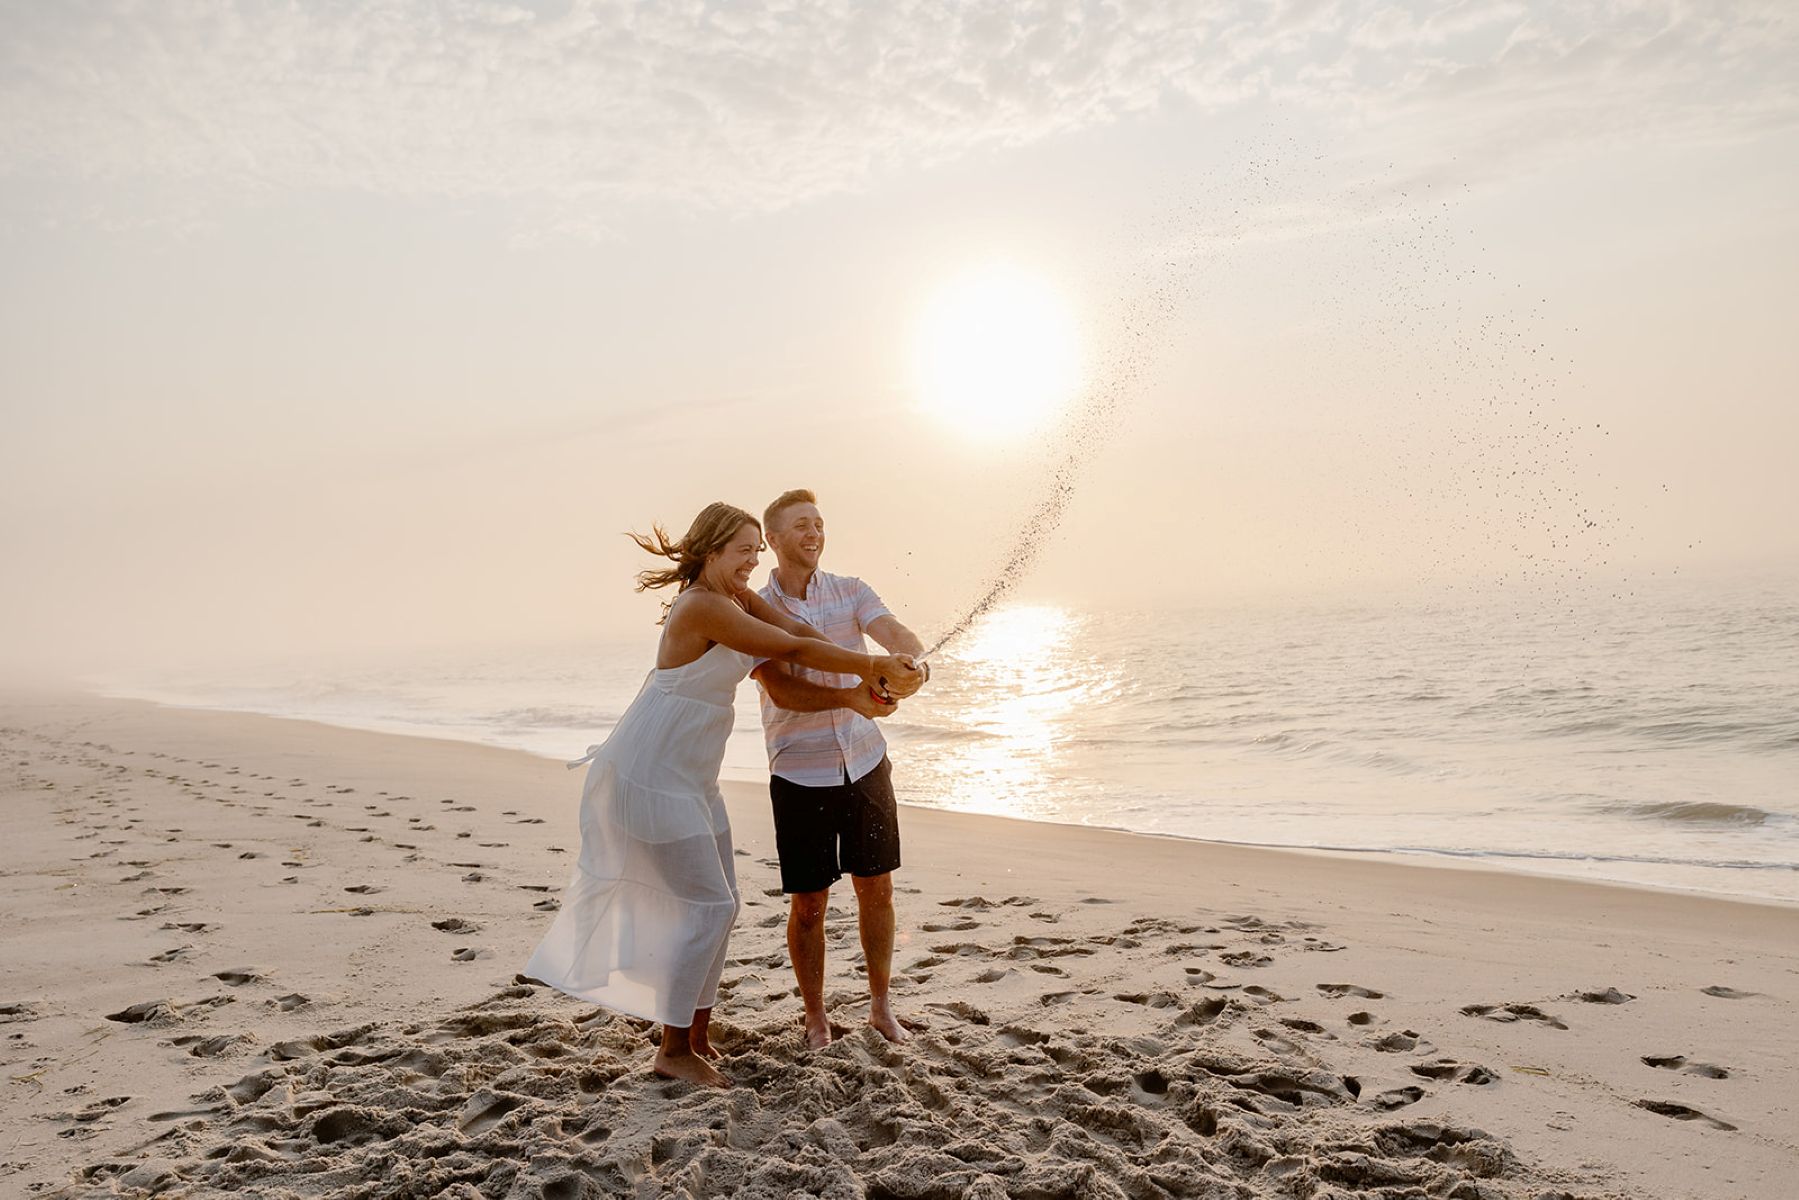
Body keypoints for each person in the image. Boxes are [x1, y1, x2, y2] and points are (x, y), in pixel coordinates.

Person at [525, 501, 922, 1088]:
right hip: (653, 768)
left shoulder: (736, 598)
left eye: (758, 550)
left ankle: (697, 1036)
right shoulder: (703, 606)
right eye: (744, 551)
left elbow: (799, 631)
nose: (753, 561)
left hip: (692, 774)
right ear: (711, 553)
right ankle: (672, 1049)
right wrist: (866, 668)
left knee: (722, 903)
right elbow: (792, 653)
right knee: (706, 906)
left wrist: (872, 678)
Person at [752, 488, 930, 1048]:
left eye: (820, 524)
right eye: (801, 525)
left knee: (877, 889)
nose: (814, 533)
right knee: (809, 906)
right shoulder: (755, 609)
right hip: (798, 772)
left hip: (865, 763)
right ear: (772, 539)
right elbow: (780, 688)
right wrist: (852, 696)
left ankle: (880, 1007)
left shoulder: (852, 590)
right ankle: (815, 1018)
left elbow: (896, 634)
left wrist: (911, 663)